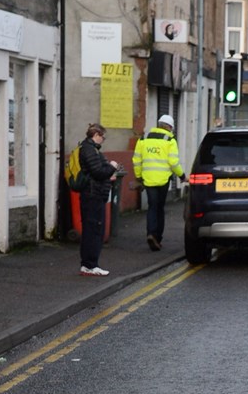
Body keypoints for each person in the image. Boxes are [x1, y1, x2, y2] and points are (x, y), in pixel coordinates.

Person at [133, 113, 185, 250]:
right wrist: (182, 176)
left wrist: (139, 176)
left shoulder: (143, 138)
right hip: (163, 180)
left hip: (148, 179)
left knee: (152, 207)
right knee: (160, 208)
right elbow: (173, 163)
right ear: (169, 127)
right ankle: (157, 237)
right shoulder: (169, 140)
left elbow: (136, 159)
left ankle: (150, 233)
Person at [78, 123, 122, 276]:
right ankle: (90, 265)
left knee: (92, 230)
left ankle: (87, 265)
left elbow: (95, 173)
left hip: (93, 194)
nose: (103, 140)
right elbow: (97, 172)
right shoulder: (89, 150)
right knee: (94, 231)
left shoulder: (90, 149)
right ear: (96, 135)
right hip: (93, 196)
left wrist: (108, 174)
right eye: (103, 137)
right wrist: (112, 167)